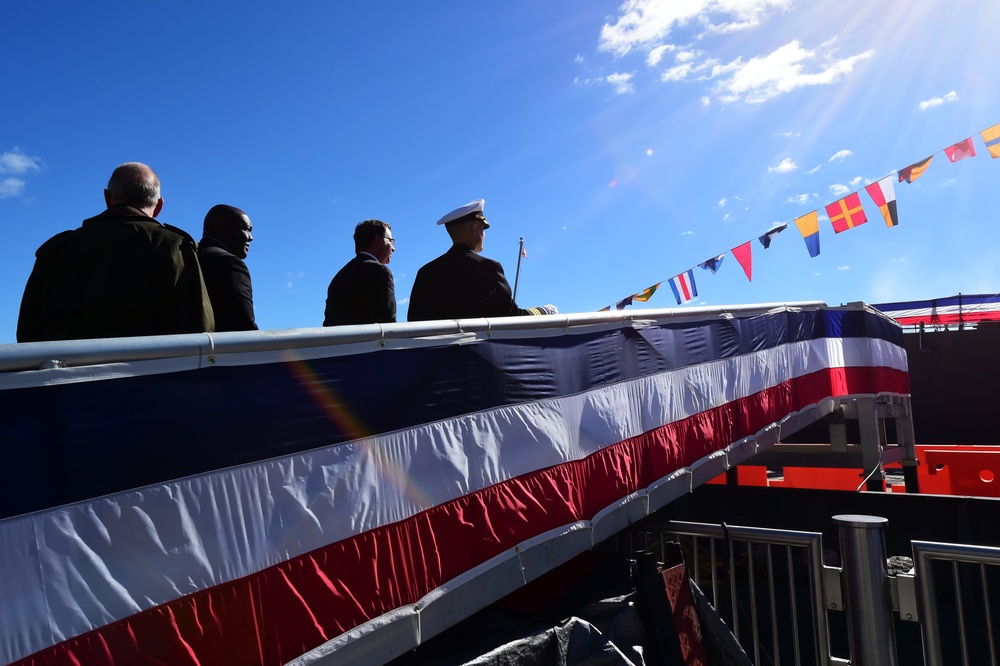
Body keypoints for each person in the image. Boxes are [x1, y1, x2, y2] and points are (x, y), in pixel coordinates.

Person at [16, 162, 214, 342]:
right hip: (146, 378)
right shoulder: (173, 246)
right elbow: (199, 331)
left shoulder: (54, 250)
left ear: (107, 197)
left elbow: (27, 332)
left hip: (60, 379)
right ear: (160, 205)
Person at [407, 199, 556, 321]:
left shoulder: (426, 273)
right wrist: (543, 311)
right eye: (483, 229)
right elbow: (510, 318)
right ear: (474, 229)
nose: (484, 235)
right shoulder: (489, 268)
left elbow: (414, 324)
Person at [323, 219, 396, 325]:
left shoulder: (337, 279)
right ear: (377, 240)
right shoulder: (380, 272)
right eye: (390, 240)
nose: (393, 248)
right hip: (372, 341)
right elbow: (388, 324)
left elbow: (328, 324)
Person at [198, 204, 258, 331]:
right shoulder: (229, 263)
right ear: (225, 229)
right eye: (246, 229)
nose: (251, 238)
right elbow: (243, 325)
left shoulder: (189, 256)